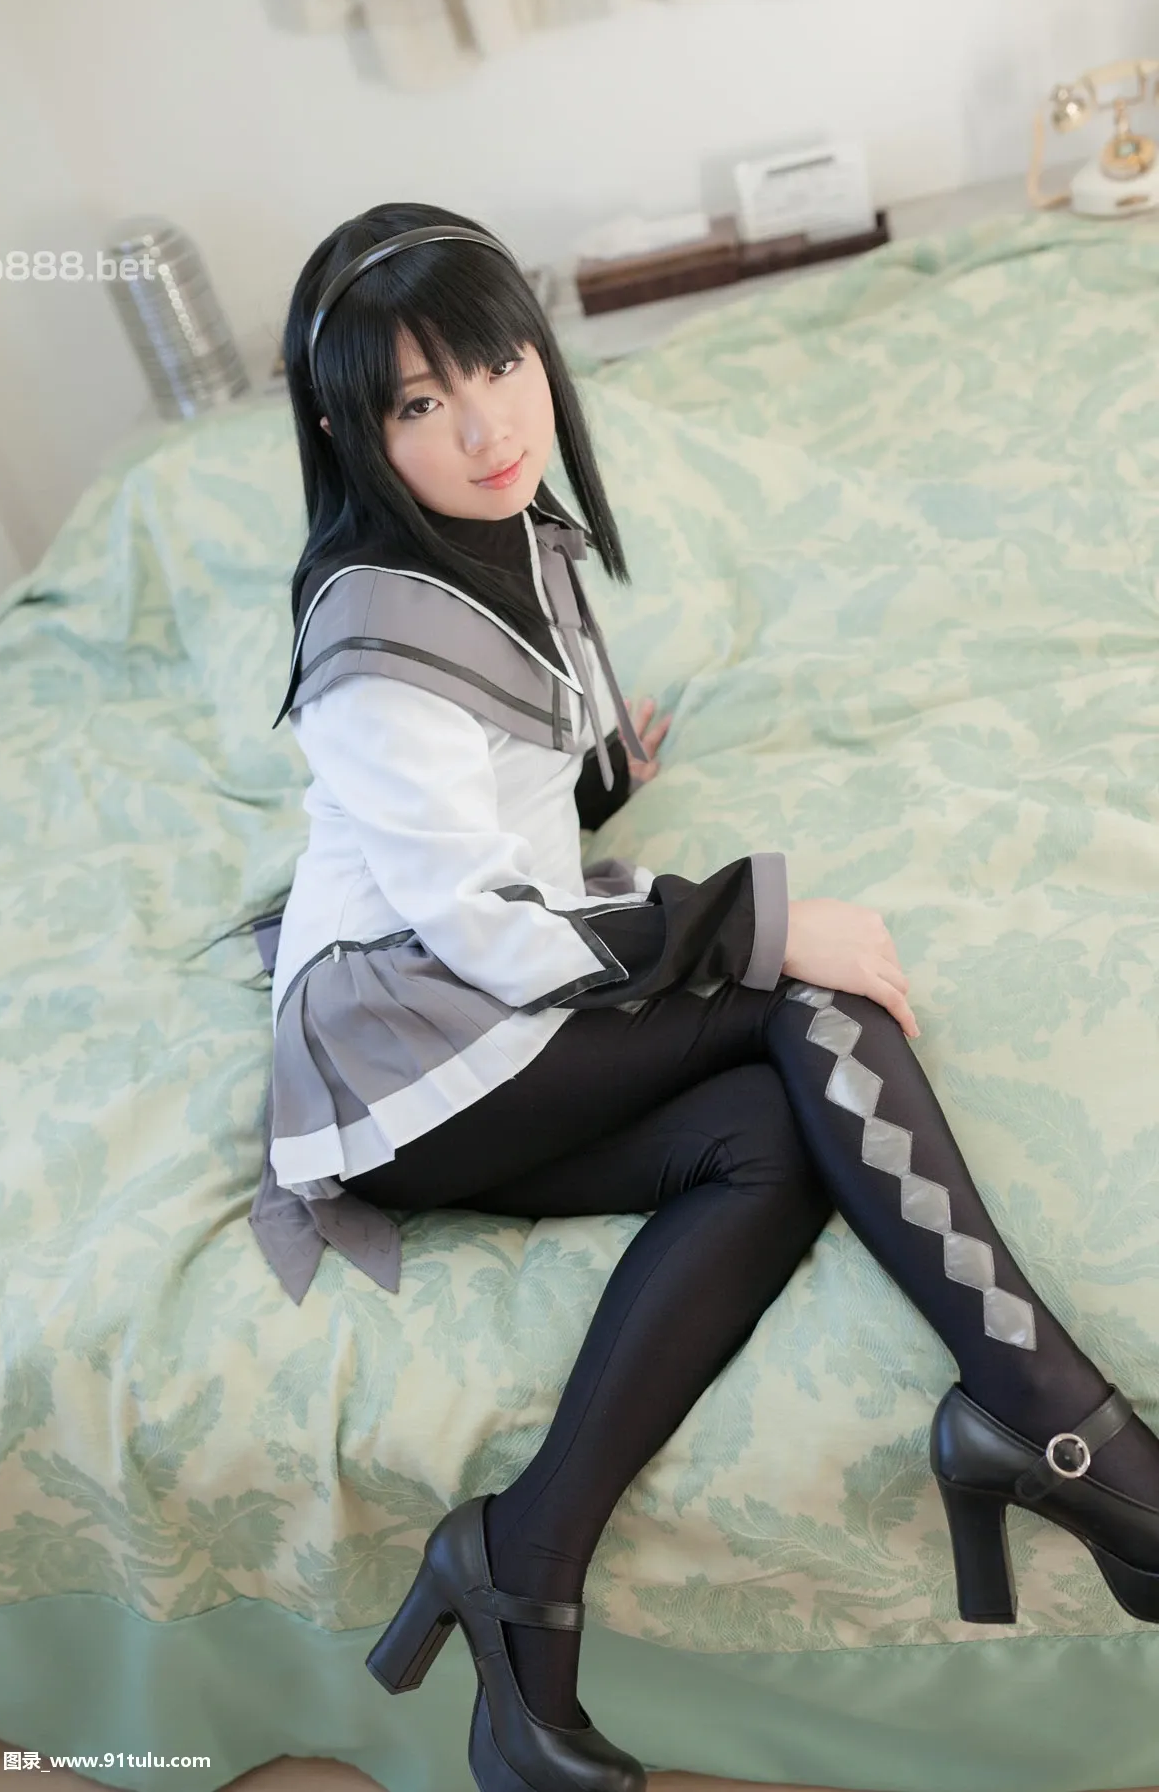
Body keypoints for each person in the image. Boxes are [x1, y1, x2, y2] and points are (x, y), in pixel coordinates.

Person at [226, 202, 1159, 1792]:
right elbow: (489, 929)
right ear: (351, 432)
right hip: (408, 1054)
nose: (487, 427)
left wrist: (602, 773)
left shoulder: (507, 531)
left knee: (773, 1141)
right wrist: (755, 922)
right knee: (806, 1005)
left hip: (480, 1014)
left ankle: (522, 1563)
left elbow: (510, 775)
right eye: (423, 402)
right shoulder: (370, 642)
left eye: (499, 366)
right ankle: (1060, 1424)